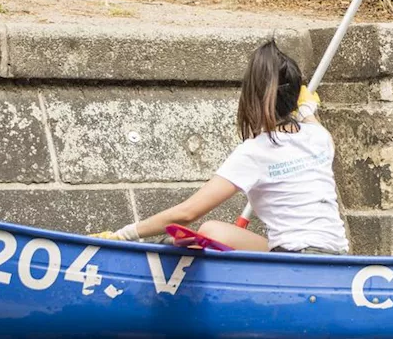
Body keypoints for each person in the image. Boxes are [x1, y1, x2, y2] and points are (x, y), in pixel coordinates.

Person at [90, 41, 349, 255]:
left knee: (207, 229)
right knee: (215, 231)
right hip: (336, 257)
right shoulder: (319, 138)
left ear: (252, 97)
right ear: (295, 96)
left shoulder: (255, 151)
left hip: (296, 260)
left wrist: (124, 234)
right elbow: (316, 126)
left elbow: (187, 213)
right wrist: (306, 109)